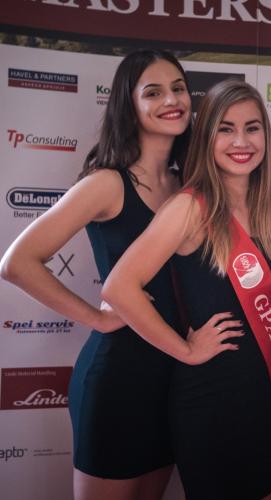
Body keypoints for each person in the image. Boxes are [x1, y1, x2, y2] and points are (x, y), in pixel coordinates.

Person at [0, 50, 191, 500]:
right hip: (118, 378)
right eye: (153, 92)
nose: (171, 100)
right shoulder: (107, 183)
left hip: (173, 374)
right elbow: (16, 263)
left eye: (179, 88)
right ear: (129, 105)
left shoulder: (187, 185)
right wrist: (98, 318)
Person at [102, 79, 271, 500]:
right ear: (206, 138)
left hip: (264, 397)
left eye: (252, 128)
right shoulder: (190, 207)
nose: (241, 141)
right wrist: (186, 350)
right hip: (211, 402)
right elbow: (119, 288)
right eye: (226, 129)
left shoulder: (268, 213)